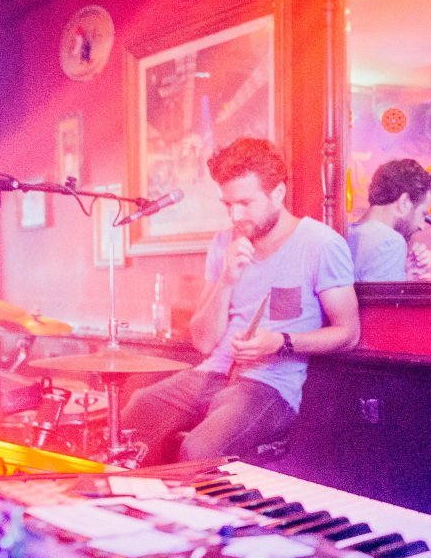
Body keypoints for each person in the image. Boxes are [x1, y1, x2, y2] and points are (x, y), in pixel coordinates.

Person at [121, 139, 360, 463]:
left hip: (268, 384)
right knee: (136, 411)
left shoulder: (320, 244)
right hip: (212, 372)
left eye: (246, 203)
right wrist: (226, 279)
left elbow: (348, 333)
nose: (235, 215)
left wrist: (280, 342)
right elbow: (203, 342)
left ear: (278, 193)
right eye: (228, 204)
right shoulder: (223, 244)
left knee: (199, 449)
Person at [347, 158, 431, 281]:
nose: (421, 225)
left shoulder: (347, 233)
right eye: (423, 214)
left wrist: (403, 275)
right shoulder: (390, 242)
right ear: (404, 202)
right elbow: (385, 295)